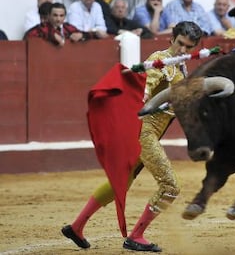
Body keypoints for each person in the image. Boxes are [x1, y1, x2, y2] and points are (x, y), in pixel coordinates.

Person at [61, 21, 203, 252]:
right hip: (144, 133)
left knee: (121, 182)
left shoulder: (180, 67)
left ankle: (76, 226)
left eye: (188, 47)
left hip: (150, 134)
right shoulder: (161, 61)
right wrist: (142, 94)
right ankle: (136, 236)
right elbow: (147, 84)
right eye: (180, 44)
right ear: (172, 39)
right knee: (170, 187)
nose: (183, 50)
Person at [24, 2, 93, 46]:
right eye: (55, 15)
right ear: (49, 16)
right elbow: (28, 37)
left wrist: (82, 35)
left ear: (65, 16)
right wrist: (53, 35)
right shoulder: (41, 27)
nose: (58, 19)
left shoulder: (68, 27)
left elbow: (90, 35)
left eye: (61, 15)